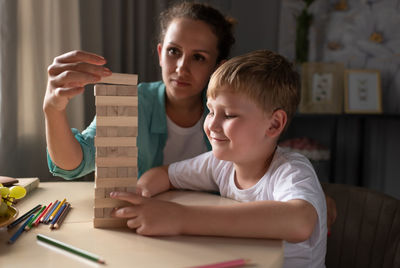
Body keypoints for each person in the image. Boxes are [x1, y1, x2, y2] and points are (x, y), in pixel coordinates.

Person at [110, 50, 327, 268]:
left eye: (229, 115)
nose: (211, 125)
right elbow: (164, 174)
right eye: (211, 111)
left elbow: (300, 221)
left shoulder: (291, 170)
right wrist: (141, 193)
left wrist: (179, 218)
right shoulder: (219, 164)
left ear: (273, 124)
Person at [43, 1, 235, 179]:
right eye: (173, 51)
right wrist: (53, 110)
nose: (181, 68)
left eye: (199, 57)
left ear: (218, 67)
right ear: (160, 54)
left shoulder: (236, 114)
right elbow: (73, 164)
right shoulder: (133, 102)